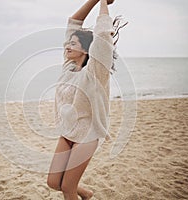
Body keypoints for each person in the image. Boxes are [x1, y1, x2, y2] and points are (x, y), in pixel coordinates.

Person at [47, 0, 124, 199]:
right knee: (54, 182)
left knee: (67, 188)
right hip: (68, 131)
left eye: (73, 44)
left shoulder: (96, 72)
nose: (67, 46)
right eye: (68, 43)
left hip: (87, 135)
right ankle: (86, 193)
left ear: (86, 50)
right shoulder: (68, 67)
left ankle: (75, 191)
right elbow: (74, 21)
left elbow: (102, 35)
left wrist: (105, 5)